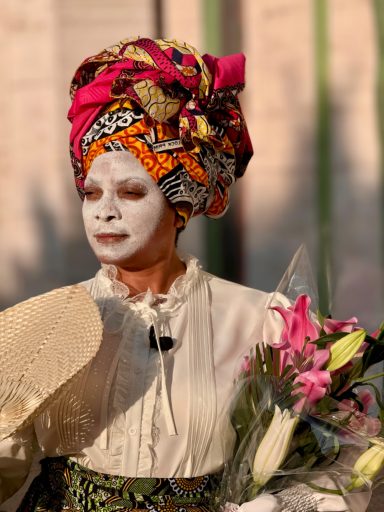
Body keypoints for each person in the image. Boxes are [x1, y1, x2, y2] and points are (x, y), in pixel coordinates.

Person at [0, 37, 372, 512]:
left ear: (181, 204)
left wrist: (293, 503)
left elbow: (343, 459)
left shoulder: (262, 322)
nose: (104, 213)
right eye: (91, 194)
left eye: (132, 192)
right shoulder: (48, 323)